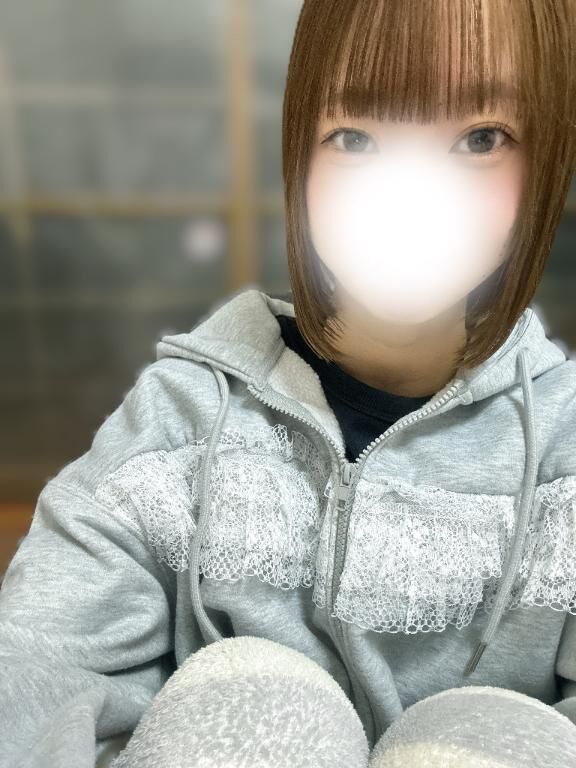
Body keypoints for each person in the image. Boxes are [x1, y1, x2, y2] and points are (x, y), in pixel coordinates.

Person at [1, 0, 576, 765]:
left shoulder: (566, 448)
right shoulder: (179, 421)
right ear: (300, 151)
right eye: (355, 136)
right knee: (252, 701)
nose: (409, 200)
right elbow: (38, 665)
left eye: (481, 138)